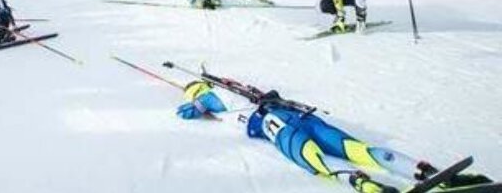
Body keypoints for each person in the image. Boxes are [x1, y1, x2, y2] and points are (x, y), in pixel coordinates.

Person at [177, 83, 493, 193]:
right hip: (300, 117)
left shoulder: (211, 98)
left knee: (319, 160)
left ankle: (366, 186)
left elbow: (200, 106)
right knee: (356, 149)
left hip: (277, 127)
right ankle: (428, 173)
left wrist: (195, 104)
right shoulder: (231, 96)